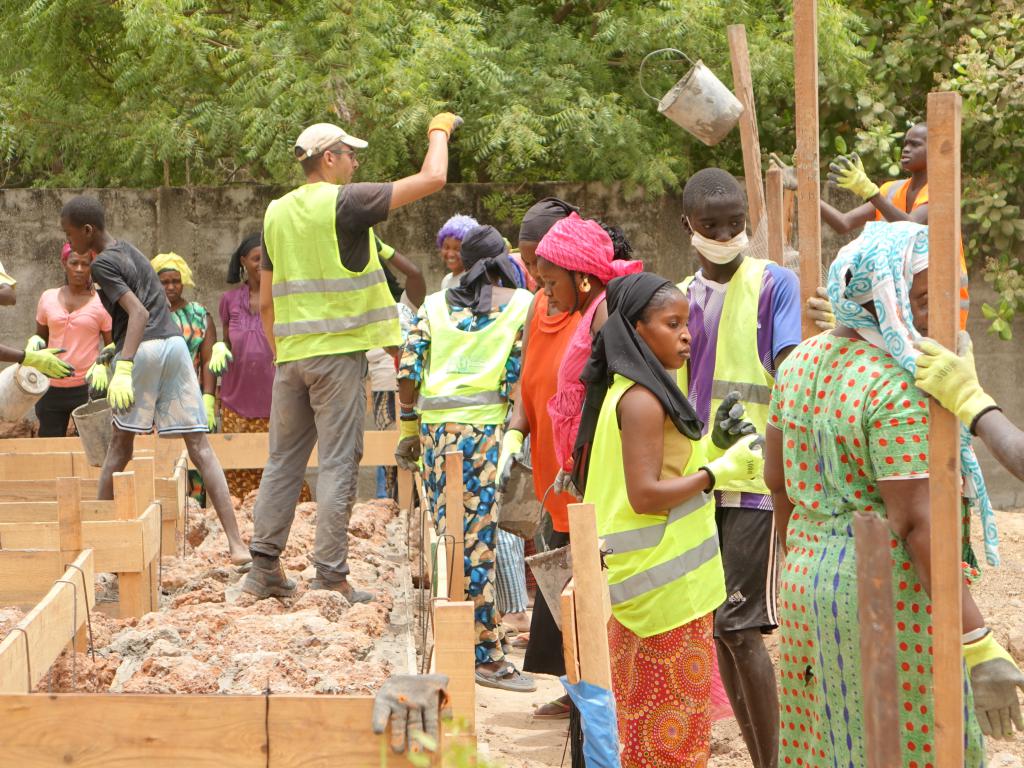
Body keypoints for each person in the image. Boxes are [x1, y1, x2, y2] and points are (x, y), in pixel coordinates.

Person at [765, 221, 1024, 763]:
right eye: (924, 299)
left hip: (808, 578)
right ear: (878, 297)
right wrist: (975, 638)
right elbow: (916, 523)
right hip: (885, 591)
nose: (945, 316)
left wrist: (806, 558)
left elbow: (777, 481)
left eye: (951, 295)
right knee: (905, 740)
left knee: (829, 740)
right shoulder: (901, 385)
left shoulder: (799, 363)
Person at [241, 115, 447, 603]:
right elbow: (433, 178)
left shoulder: (275, 213)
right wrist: (438, 130)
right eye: (351, 154)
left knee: (282, 461)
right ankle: (330, 576)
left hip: (290, 357)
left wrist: (281, 354)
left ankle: (263, 569)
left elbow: (265, 302)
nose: (356, 162)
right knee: (338, 462)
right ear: (328, 158)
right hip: (336, 356)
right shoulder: (345, 202)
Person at [574, 272, 763, 768]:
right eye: (671, 323)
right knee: (667, 740)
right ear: (637, 330)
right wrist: (713, 473)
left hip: (664, 590)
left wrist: (713, 446)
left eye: (687, 323)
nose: (686, 335)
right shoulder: (640, 399)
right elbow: (646, 495)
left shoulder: (643, 392)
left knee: (657, 733)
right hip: (660, 596)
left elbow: (662, 466)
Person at [676, 167, 801, 768]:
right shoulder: (677, 299)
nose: (725, 234)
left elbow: (790, 369)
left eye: (735, 224)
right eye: (711, 225)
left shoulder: (775, 284)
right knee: (721, 627)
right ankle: (760, 757)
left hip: (753, 479)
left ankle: (770, 762)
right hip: (702, 480)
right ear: (689, 228)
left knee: (742, 625)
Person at [63, 195, 250, 565]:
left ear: (87, 230)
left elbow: (138, 312)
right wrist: (111, 352)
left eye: (69, 233)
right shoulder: (130, 250)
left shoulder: (102, 266)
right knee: (200, 447)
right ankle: (237, 545)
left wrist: (126, 364)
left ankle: (97, 548)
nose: (68, 240)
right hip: (175, 345)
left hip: (144, 350)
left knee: (118, 450)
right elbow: (151, 307)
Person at [395, 224, 536, 692]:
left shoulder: (435, 306)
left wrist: (410, 429)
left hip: (437, 438)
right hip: (484, 438)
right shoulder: (521, 306)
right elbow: (518, 376)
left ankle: (464, 635)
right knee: (478, 547)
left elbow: (409, 371)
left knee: (449, 539)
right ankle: (483, 656)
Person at [498, 196, 583, 719]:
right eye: (528, 263)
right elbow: (528, 378)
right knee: (556, 576)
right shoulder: (535, 306)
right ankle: (574, 689)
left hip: (581, 470)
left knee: (583, 583)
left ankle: (592, 695)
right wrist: (514, 433)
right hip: (547, 464)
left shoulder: (597, 310)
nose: (532, 273)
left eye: (541, 264)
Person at [798, 123, 970, 331]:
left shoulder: (942, 192)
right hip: (901, 312)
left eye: (915, 145)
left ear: (933, 152)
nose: (906, 149)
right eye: (905, 143)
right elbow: (843, 223)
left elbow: (911, 224)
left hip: (940, 311)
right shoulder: (890, 191)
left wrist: (871, 192)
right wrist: (803, 188)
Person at [534, 212, 642, 486]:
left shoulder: (602, 312)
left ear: (582, 277)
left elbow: (606, 394)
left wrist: (586, 460)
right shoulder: (591, 313)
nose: (546, 292)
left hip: (601, 464)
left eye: (551, 282)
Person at [152, 251, 222, 505]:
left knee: (197, 459)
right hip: (156, 400)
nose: (171, 287)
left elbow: (208, 359)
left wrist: (208, 398)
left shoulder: (199, 314)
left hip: (190, 397)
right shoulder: (147, 315)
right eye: (164, 281)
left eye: (175, 281)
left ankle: (196, 513)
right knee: (162, 460)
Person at [27, 244, 112, 437]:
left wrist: (104, 365)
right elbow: (41, 335)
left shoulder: (102, 302)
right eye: (74, 263)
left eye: (86, 264)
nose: (80, 269)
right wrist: (34, 341)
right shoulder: (47, 298)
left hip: (87, 387)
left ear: (93, 266)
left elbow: (111, 344)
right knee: (50, 444)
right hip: (50, 386)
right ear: (64, 263)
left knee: (94, 444)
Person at [436, 214, 478, 291]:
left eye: (457, 249)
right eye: (446, 247)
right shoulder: (446, 280)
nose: (450, 254)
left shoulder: (474, 282)